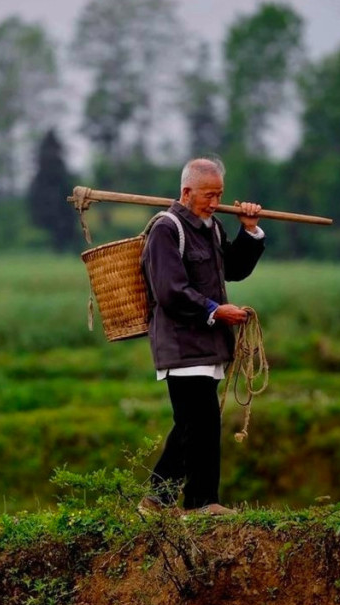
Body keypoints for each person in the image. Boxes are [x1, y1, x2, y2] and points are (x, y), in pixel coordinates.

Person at [139, 157, 265, 516]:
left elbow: (235, 269)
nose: (214, 203)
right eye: (208, 196)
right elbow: (169, 290)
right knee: (201, 423)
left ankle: (157, 501)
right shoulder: (167, 229)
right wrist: (215, 309)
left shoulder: (212, 227)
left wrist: (250, 230)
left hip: (208, 346)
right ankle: (201, 503)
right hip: (181, 345)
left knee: (192, 426)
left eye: (219, 195)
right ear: (186, 192)